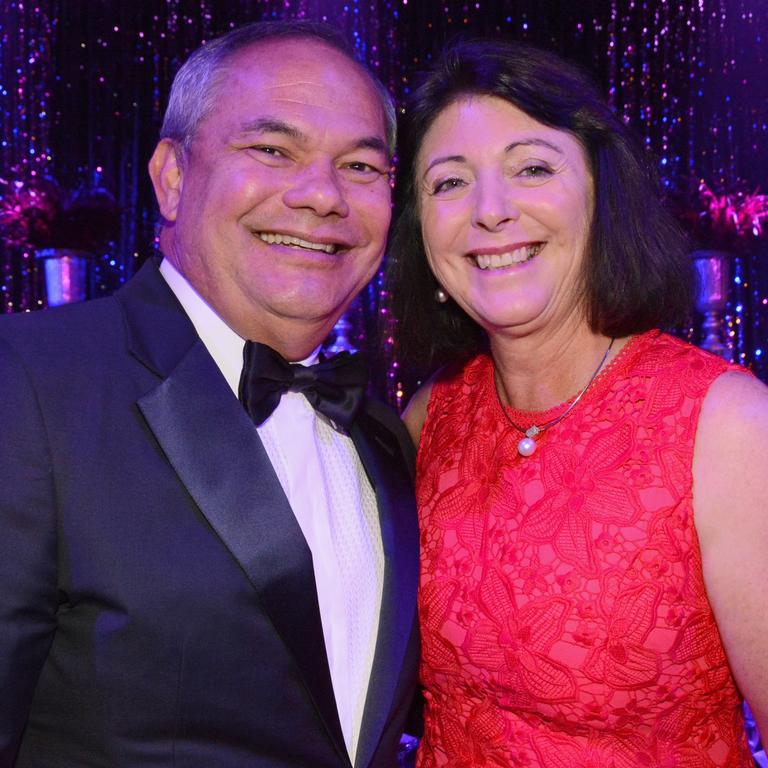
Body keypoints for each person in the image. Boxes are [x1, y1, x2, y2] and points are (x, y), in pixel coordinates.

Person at [0, 21, 419, 768]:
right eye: (272, 150)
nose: (322, 195)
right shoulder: (28, 382)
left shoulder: (384, 436)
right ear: (171, 176)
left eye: (360, 166)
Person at [387, 38, 768, 766]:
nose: (490, 212)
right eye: (449, 183)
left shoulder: (726, 428)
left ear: (601, 195)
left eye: (531, 168)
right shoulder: (427, 419)